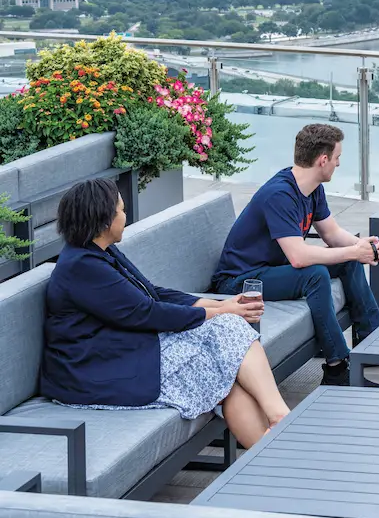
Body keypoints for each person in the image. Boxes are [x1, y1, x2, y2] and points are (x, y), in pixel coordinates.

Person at [42, 178, 290, 448]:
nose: (126, 216)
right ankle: (279, 422)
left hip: (122, 349)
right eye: (121, 210)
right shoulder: (82, 267)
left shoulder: (100, 253)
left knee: (226, 353)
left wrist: (220, 306)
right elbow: (145, 313)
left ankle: (271, 440)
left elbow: (151, 292)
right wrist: (219, 313)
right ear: (103, 220)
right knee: (223, 350)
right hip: (92, 370)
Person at [211, 123, 379, 388]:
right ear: (323, 160)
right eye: (337, 158)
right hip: (241, 280)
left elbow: (332, 233)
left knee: (347, 259)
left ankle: (371, 342)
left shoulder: (312, 188)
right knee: (314, 274)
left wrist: (363, 247)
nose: (338, 164)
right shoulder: (279, 195)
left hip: (273, 270)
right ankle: (337, 369)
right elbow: (298, 259)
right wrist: (353, 251)